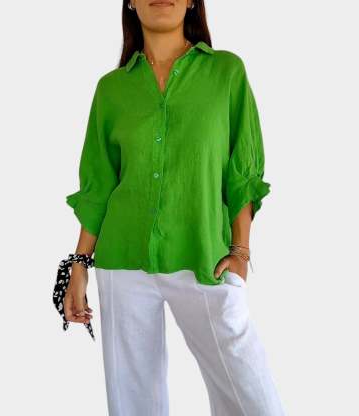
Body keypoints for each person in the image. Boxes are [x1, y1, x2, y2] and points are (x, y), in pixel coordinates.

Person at [63, 1, 287, 415]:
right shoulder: (112, 89)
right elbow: (99, 184)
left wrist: (240, 250)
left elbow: (242, 170)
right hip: (123, 257)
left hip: (204, 254)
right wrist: (79, 263)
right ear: (131, 2)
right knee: (132, 401)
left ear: (191, 2)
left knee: (252, 396)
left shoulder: (226, 72)